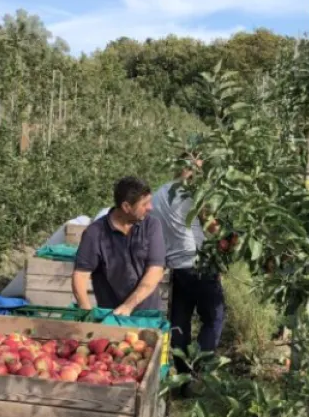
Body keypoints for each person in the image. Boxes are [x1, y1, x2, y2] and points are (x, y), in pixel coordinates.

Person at [149, 158, 227, 375]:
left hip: (175, 267)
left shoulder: (159, 194)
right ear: (192, 170)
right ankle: (196, 369)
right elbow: (212, 227)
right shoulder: (193, 193)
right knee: (214, 317)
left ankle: (183, 373)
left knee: (180, 320)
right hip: (198, 263)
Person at [72, 177, 167, 315]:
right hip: (111, 317)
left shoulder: (151, 225)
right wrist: (87, 313)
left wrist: (128, 306)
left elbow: (156, 270)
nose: (150, 208)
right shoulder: (95, 233)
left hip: (147, 316)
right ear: (126, 207)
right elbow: (80, 275)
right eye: (144, 204)